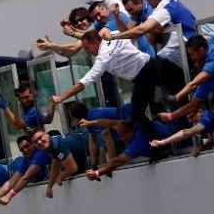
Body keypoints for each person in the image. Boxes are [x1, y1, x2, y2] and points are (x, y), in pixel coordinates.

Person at [51, 30, 185, 137]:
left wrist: (61, 97)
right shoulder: (113, 34)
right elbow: (119, 30)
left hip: (143, 76)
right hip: (154, 64)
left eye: (87, 48)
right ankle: (181, 128)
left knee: (137, 115)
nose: (87, 51)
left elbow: (82, 84)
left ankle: (161, 140)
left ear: (95, 43)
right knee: (180, 91)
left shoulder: (103, 57)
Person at [107, 0, 196, 70]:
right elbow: (127, 32)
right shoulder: (138, 13)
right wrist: (116, 15)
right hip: (173, 48)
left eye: (131, 9)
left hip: (184, 43)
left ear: (139, 2)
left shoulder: (156, 10)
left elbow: (143, 31)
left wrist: (114, 36)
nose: (130, 13)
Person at [81, 116, 178, 180]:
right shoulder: (130, 125)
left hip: (175, 141)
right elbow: (110, 123)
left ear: (130, 131)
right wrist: (90, 123)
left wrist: (97, 172)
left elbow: (117, 161)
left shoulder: (139, 142)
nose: (122, 139)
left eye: (123, 136)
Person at [0, 135, 51, 207]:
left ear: (33, 144)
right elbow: (11, 182)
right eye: (22, 149)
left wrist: (8, 196)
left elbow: (26, 177)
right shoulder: (26, 160)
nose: (25, 150)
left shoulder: (39, 154)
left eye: (26, 146)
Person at [30, 130, 87, 198]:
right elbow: (55, 165)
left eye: (40, 137)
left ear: (47, 135)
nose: (39, 142)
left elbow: (72, 168)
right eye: (36, 142)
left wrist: (60, 177)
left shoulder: (57, 145)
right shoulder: (51, 147)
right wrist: (49, 187)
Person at [69, 102, 126, 168]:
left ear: (78, 117)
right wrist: (93, 165)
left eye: (73, 118)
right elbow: (92, 140)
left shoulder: (96, 117)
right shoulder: (88, 119)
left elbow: (109, 141)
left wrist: (111, 164)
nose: (74, 121)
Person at [89, 1, 156, 57]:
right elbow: (86, 34)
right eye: (95, 17)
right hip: (134, 59)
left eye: (98, 14)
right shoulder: (100, 21)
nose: (98, 18)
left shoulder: (116, 17)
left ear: (104, 9)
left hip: (146, 55)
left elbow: (101, 34)